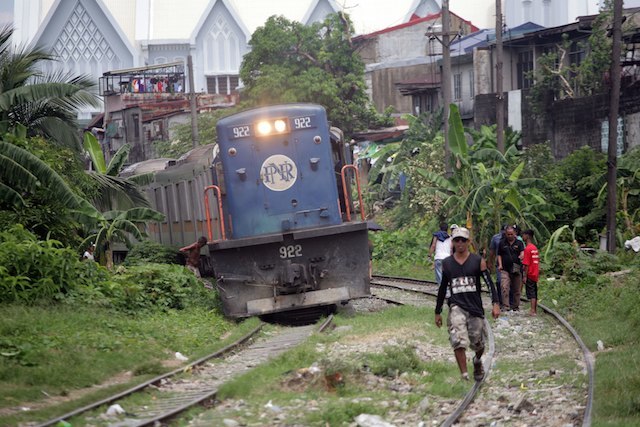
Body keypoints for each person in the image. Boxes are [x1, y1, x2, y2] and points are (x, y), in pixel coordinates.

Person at [435, 227, 501, 381]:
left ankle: (477, 360)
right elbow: (443, 288)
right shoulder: (447, 264)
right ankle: (464, 375)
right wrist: (437, 311)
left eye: (463, 240)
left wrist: (495, 303)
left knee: (477, 342)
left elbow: (489, 284)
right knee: (458, 340)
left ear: (468, 242)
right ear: (453, 242)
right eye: (456, 240)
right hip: (456, 306)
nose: (460, 243)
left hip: (475, 308)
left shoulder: (478, 261)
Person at [497, 225, 525, 311]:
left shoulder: (519, 243)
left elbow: (522, 252)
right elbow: (499, 255)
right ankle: (506, 306)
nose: (509, 236)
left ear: (515, 234)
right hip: (505, 268)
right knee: (504, 286)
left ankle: (515, 306)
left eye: (511, 234)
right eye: (508, 234)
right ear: (505, 234)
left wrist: (521, 256)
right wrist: (500, 265)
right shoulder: (502, 243)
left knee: (516, 288)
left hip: (516, 268)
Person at [521, 229, 540, 316]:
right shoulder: (534, 248)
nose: (522, 237)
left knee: (531, 292)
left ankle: (532, 310)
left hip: (530, 273)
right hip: (535, 272)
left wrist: (525, 276)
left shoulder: (528, 249)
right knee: (534, 292)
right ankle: (534, 309)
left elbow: (527, 264)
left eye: (523, 235)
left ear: (527, 236)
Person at [488, 225, 506, 307]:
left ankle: (509, 302)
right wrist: (490, 262)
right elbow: (492, 251)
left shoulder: (513, 237)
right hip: (499, 263)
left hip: (510, 262)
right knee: (499, 282)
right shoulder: (496, 238)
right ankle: (500, 300)